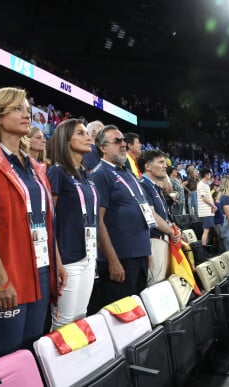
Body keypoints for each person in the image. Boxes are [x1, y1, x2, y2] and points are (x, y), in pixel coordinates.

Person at [0, 87, 66, 360]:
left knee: (32, 353)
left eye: (28, 109)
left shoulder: (34, 166)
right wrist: (0, 279)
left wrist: (57, 261)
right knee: (6, 359)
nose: (26, 114)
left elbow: (45, 220)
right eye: (17, 108)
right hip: (6, 275)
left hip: (40, 271)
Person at [46, 119, 99, 329]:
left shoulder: (87, 176)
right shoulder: (57, 172)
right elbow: (48, 220)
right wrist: (57, 261)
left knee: (80, 317)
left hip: (88, 256)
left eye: (88, 133)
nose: (88, 137)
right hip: (67, 259)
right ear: (65, 139)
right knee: (63, 322)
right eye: (80, 133)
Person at [91, 125, 151, 305]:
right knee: (122, 316)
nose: (123, 144)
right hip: (120, 259)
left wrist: (145, 250)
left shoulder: (129, 173)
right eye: (117, 141)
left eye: (124, 140)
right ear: (103, 148)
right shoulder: (100, 174)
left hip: (139, 255)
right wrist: (112, 260)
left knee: (139, 313)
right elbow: (98, 221)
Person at [138, 150, 182, 285]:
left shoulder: (154, 187)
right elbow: (151, 215)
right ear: (148, 166)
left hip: (163, 239)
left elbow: (164, 215)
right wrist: (171, 231)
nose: (165, 166)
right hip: (154, 241)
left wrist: (174, 229)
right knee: (156, 284)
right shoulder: (143, 185)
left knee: (163, 282)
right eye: (161, 162)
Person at [197, 168, 217, 246]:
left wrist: (212, 206)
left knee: (208, 230)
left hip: (208, 210)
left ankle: (206, 246)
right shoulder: (201, 184)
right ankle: (204, 247)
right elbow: (204, 198)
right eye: (209, 174)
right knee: (206, 230)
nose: (210, 176)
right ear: (206, 175)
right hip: (205, 211)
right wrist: (213, 206)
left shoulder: (205, 185)